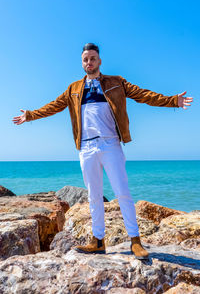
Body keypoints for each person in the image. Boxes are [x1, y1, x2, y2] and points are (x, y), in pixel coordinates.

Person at [13, 43, 193, 260]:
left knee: (123, 193)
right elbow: (54, 105)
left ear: (99, 61)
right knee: (94, 196)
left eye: (92, 58)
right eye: (85, 59)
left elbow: (144, 95)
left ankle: (135, 241)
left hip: (110, 145)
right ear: (82, 63)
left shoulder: (117, 82)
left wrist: (172, 101)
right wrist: (30, 115)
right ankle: (98, 241)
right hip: (86, 148)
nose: (89, 62)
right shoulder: (73, 89)